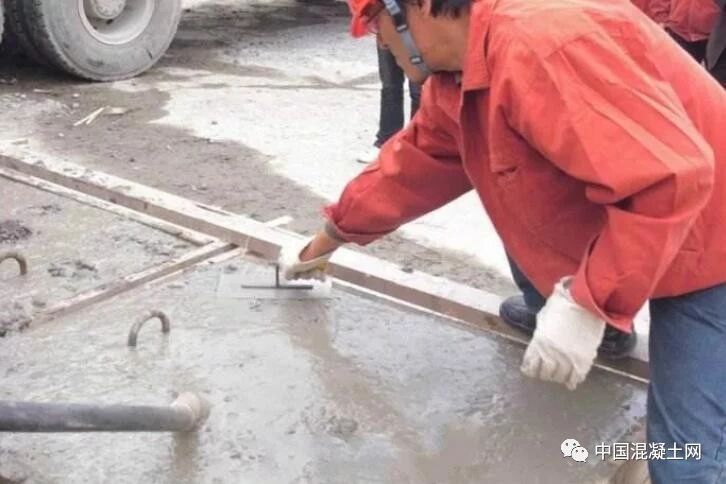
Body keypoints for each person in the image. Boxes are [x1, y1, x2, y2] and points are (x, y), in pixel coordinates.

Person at [279, 0, 726, 481]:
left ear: (414, 8)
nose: (381, 44)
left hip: (712, 240)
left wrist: (587, 305)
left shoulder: (542, 43)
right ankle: (598, 325)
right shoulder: (461, 74)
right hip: (652, 219)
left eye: (375, 26)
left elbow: (667, 182)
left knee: (686, 460)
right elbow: (410, 168)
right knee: (513, 194)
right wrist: (323, 242)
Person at [358, 45, 422, 163]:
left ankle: (418, 144)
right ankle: (386, 142)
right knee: (390, 86)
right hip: (388, 34)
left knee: (419, 89)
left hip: (421, 36)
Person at [664, 0, 726, 85]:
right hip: (677, 30)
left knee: (714, 84)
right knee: (673, 81)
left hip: (715, 37)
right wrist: (661, 16)